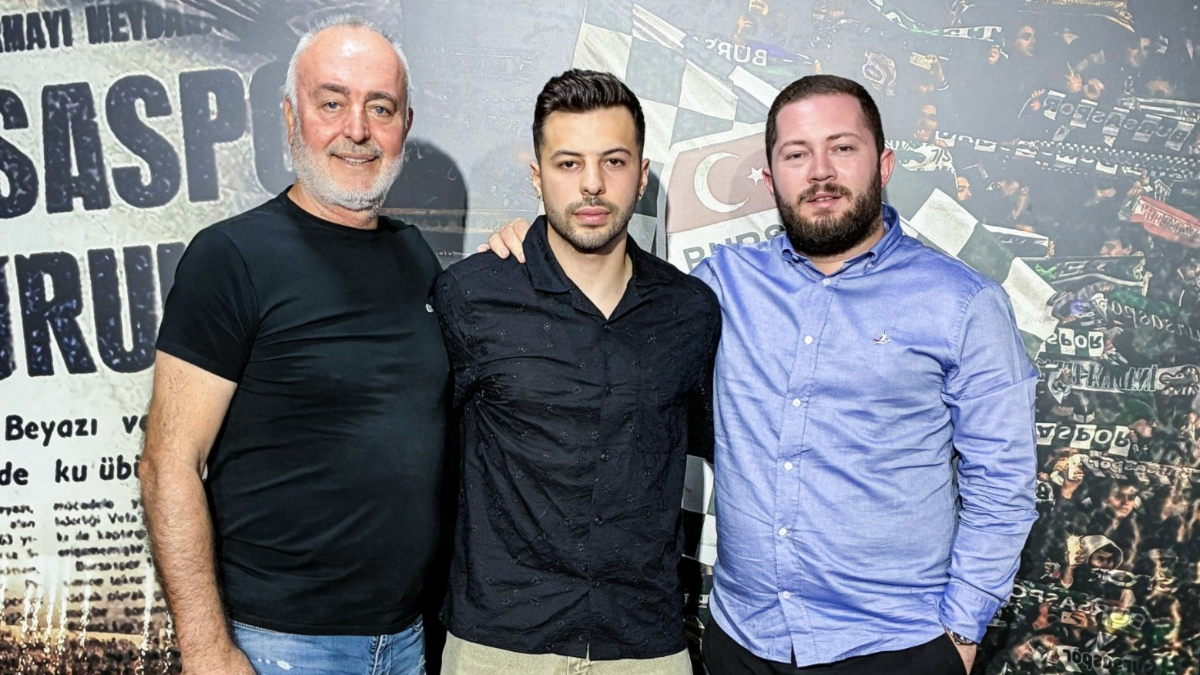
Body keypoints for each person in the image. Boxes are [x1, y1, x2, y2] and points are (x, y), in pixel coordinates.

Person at [485, 74, 1038, 675]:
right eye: (796, 155)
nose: (820, 171)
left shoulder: (963, 303)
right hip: (744, 642)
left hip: (896, 645)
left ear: (884, 164)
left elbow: (1002, 483)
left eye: (842, 148)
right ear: (771, 179)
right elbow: (610, 295)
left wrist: (961, 630)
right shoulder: (720, 284)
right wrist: (535, 241)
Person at [140, 16, 446, 675]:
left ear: (405, 124)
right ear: (289, 116)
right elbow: (168, 463)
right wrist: (207, 649)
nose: (357, 130)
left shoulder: (416, 256)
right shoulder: (230, 257)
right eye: (331, 102)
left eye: (380, 108)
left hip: (405, 640)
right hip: (278, 646)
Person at [434, 69, 720, 675]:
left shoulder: (690, 310)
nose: (592, 184)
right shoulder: (472, 295)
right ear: (537, 176)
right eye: (568, 164)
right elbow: (422, 463)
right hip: (499, 648)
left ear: (642, 175)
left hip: (644, 647)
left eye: (614, 161)